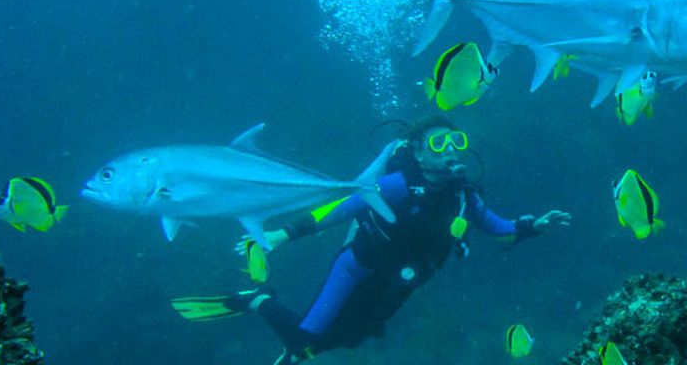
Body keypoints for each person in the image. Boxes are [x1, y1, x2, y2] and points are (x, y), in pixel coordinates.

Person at [171, 116, 571, 364]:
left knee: (353, 340)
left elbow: (496, 225)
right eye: (437, 143)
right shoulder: (398, 184)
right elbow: (345, 206)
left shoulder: (464, 196)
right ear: (417, 152)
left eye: (456, 141)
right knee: (305, 343)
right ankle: (258, 300)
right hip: (357, 269)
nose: (450, 150)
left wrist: (535, 224)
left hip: (398, 283)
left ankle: (293, 339)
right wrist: (281, 234)